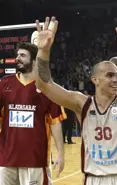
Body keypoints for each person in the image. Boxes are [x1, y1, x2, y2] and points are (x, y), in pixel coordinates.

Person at [33, 17, 117, 185]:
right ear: (95, 79)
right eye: (110, 75)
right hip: (94, 179)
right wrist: (43, 51)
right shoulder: (81, 103)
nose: (116, 79)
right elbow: (44, 84)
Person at [0, 42, 65, 185]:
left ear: (34, 61)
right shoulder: (4, 84)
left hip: (35, 160)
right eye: (17, 55)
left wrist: (61, 153)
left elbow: (55, 122)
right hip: (7, 159)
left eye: (22, 55)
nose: (17, 58)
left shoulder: (47, 88)